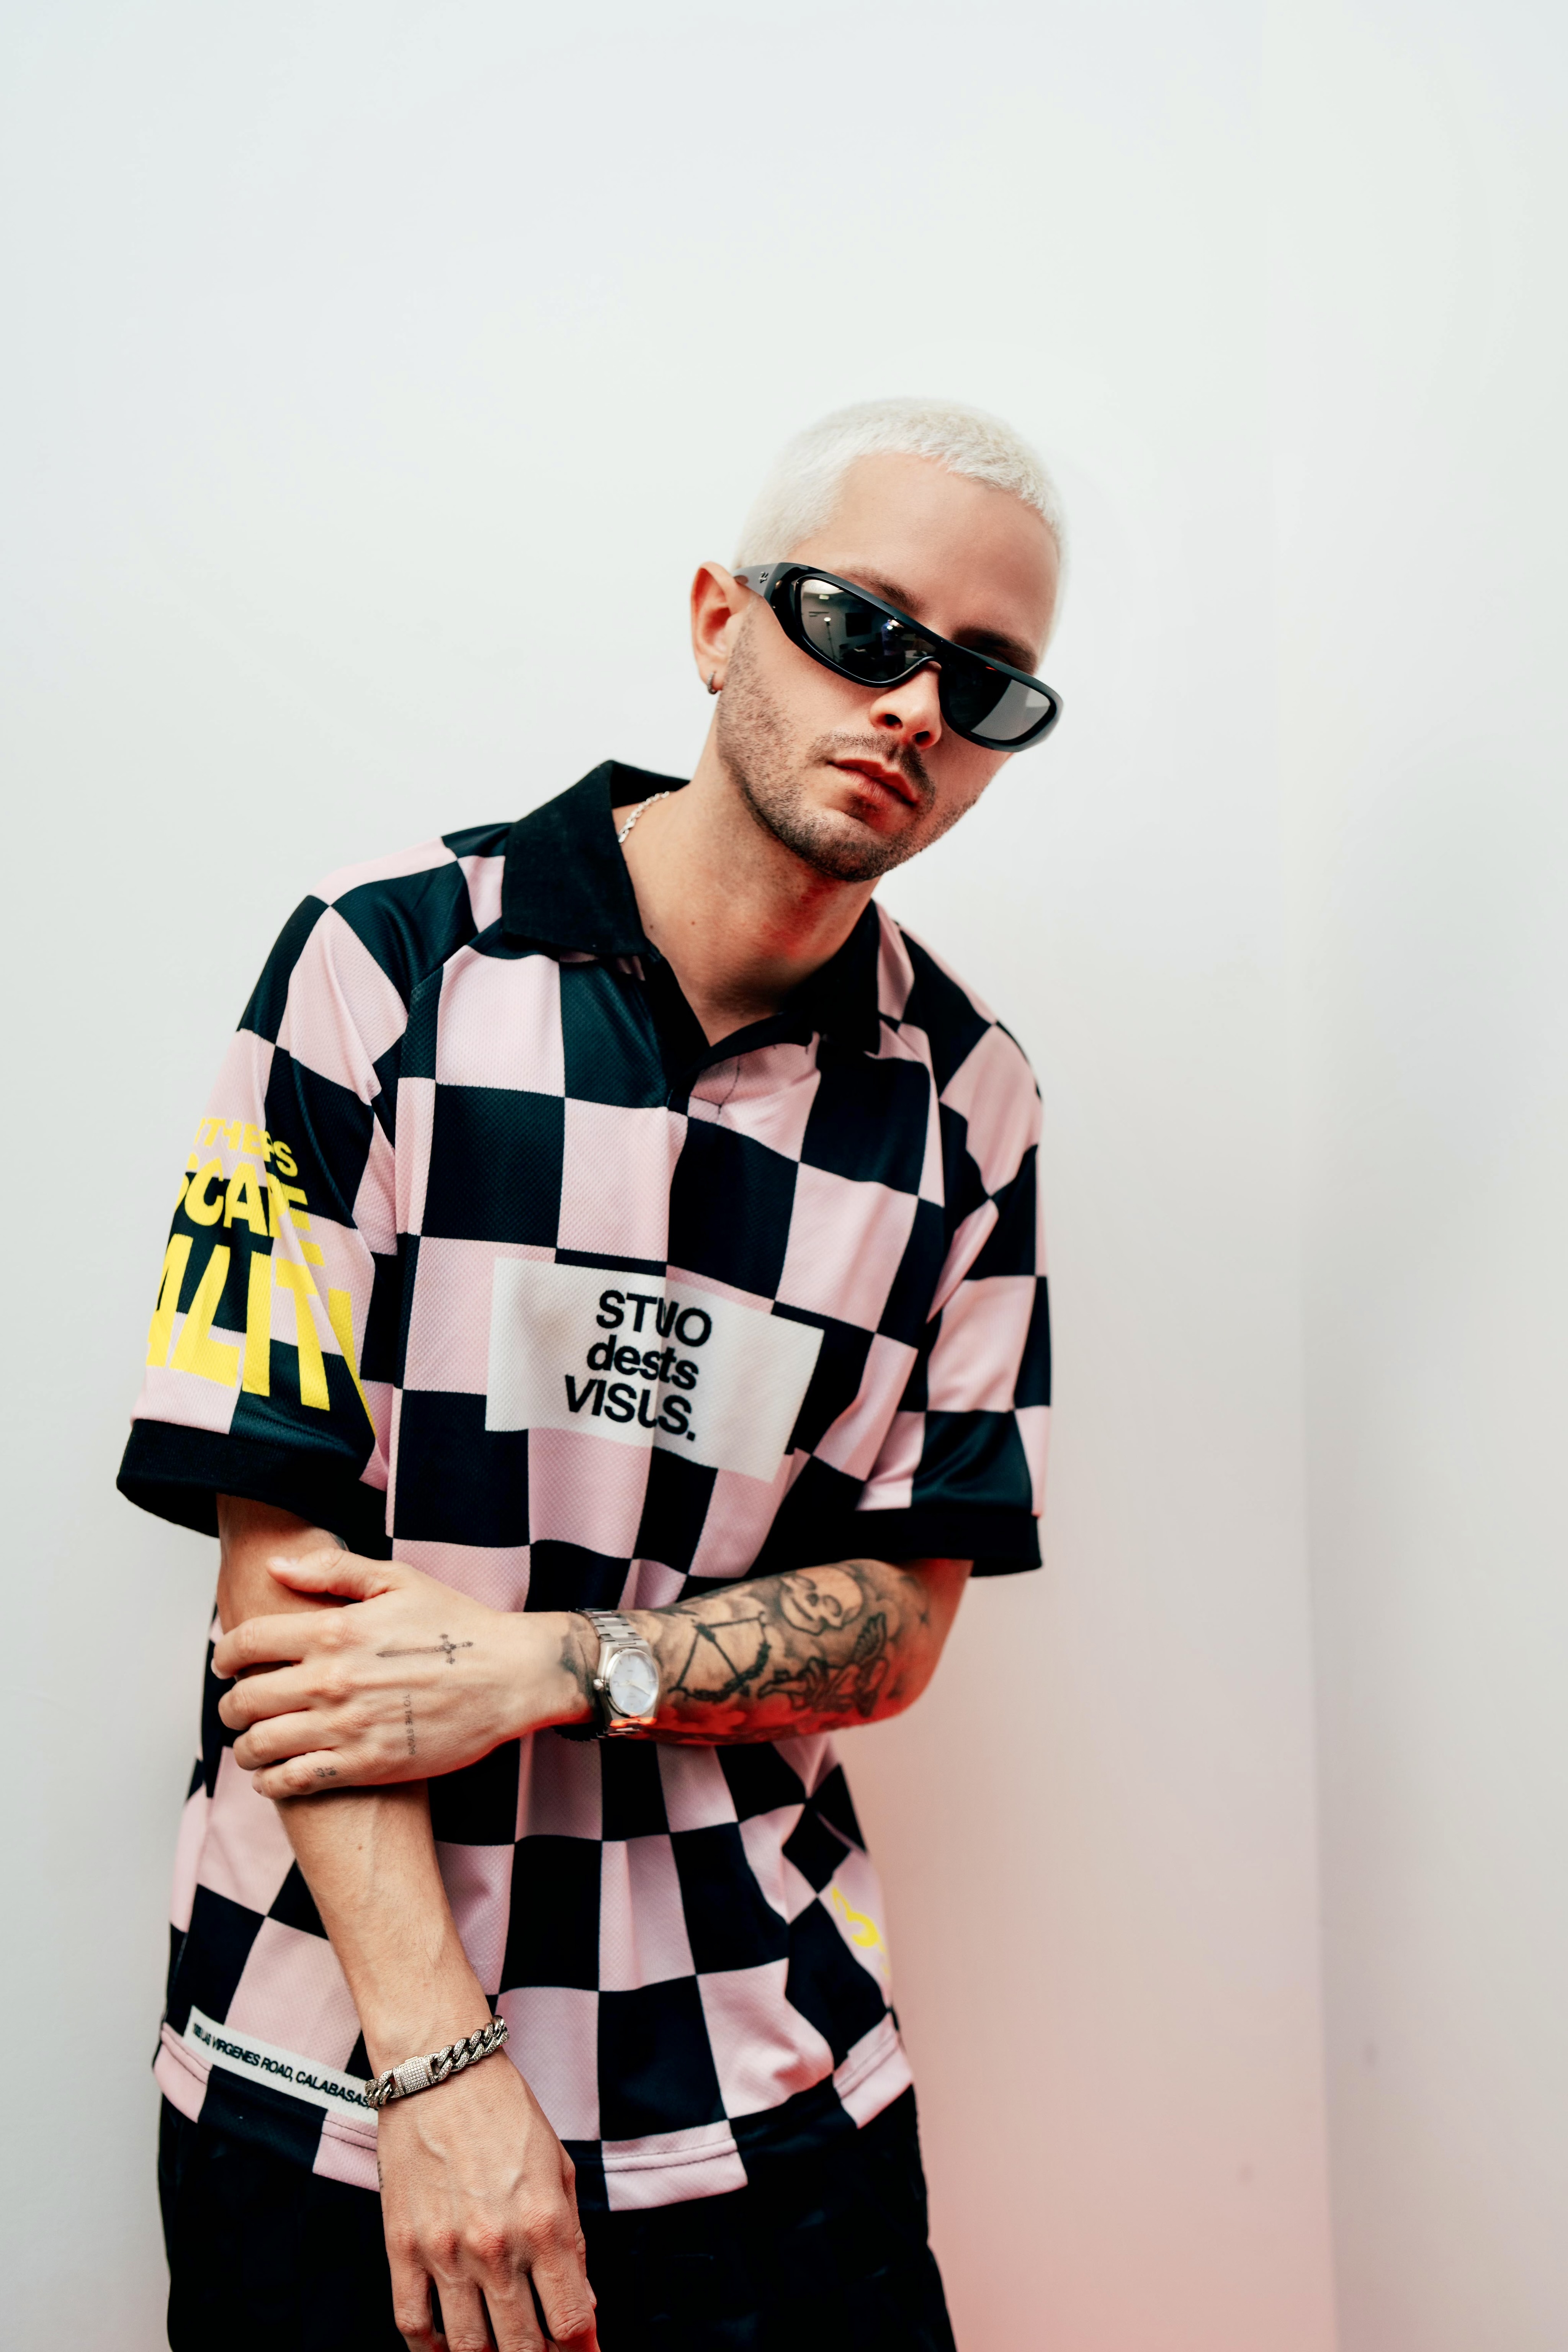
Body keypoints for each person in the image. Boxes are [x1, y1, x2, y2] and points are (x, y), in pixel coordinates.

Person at [121, 395, 1063, 2352]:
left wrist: (555, 1661)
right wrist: (439, 2073)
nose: (913, 708)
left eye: (986, 684)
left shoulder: (968, 1102)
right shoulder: (380, 972)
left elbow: (904, 1618)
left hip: (765, 2087)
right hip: (338, 2083)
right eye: (861, 627)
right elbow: (274, 1569)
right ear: (720, 616)